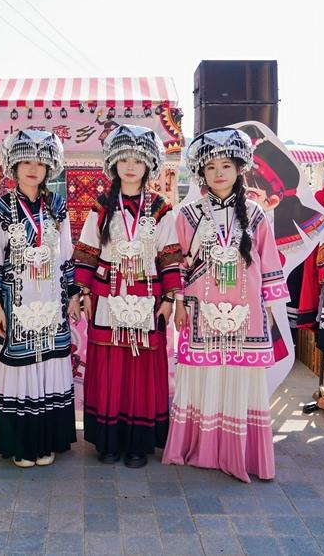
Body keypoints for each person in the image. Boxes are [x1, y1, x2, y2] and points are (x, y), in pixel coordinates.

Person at [163, 128, 289, 482]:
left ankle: (239, 452)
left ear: (239, 169)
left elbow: (269, 261)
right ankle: (201, 448)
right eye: (211, 167)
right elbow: (178, 264)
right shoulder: (188, 215)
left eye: (226, 166)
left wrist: (269, 308)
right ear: (201, 172)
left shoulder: (256, 214)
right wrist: (179, 302)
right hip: (200, 310)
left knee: (239, 376)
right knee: (204, 376)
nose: (219, 173)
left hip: (246, 311)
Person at [74, 125, 182, 468]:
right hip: (108, 293)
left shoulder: (161, 207)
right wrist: (83, 291)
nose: (131, 166)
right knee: (109, 365)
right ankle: (108, 440)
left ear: (149, 164)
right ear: (113, 164)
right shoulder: (103, 204)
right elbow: (88, 249)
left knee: (141, 368)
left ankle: (138, 442)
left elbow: (169, 254)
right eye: (124, 159)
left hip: (147, 294)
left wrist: (170, 299)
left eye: (138, 159)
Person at [0, 129, 78, 468]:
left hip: (53, 299)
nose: (33, 168)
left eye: (40, 162)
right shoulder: (0, 208)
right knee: (20, 366)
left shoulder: (57, 206)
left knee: (50, 362)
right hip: (17, 301)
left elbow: (66, 254)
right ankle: (22, 444)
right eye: (26, 162)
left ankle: (47, 441)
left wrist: (73, 295)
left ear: (49, 167)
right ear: (14, 166)